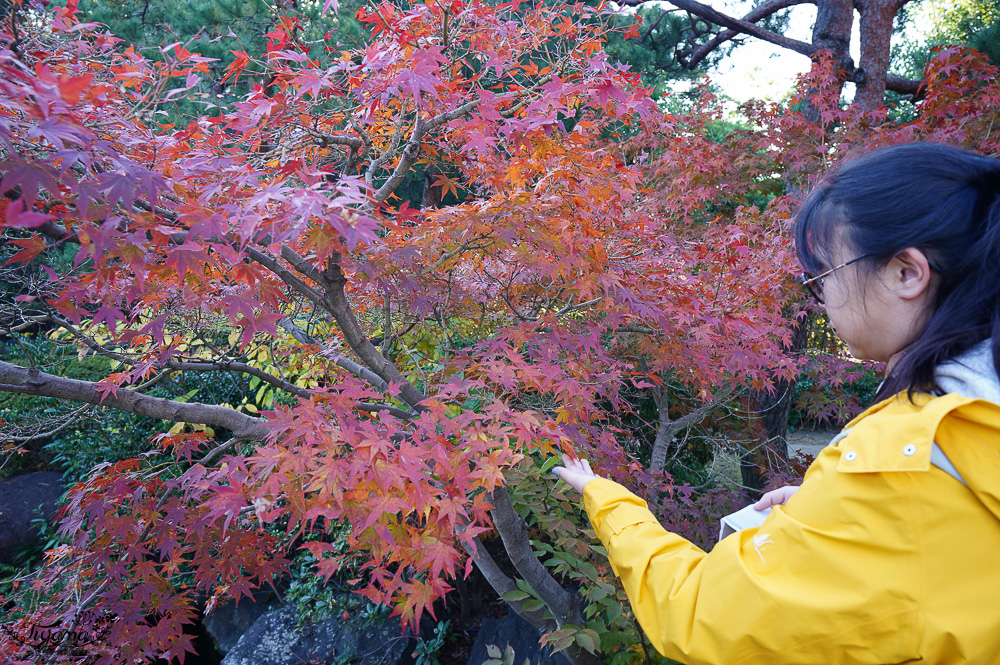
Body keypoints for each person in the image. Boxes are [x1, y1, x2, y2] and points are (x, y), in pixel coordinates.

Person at [553, 142, 1000, 665]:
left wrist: (605, 498)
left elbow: (697, 613)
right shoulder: (962, 433)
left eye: (825, 276)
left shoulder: (905, 461)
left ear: (907, 272)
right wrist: (828, 510)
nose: (821, 299)